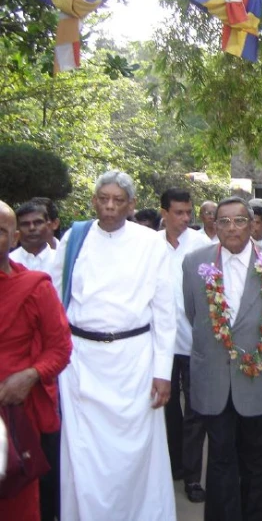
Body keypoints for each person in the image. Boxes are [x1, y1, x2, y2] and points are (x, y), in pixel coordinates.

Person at [51, 170, 177, 520]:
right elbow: (52, 299)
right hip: (81, 365)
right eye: (103, 199)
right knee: (83, 453)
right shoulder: (73, 239)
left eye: (117, 200)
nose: (109, 206)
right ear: (93, 200)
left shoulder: (151, 242)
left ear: (132, 204)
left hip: (134, 363)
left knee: (135, 455)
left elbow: (165, 313)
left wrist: (162, 372)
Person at [182, 197, 262, 521]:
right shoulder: (194, 263)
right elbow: (193, 313)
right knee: (220, 460)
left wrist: (260, 346)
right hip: (214, 381)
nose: (231, 228)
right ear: (213, 225)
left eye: (238, 221)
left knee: (257, 462)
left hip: (259, 376)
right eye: (224, 221)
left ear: (252, 224)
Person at [0, 201, 72, 521]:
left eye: (0, 232)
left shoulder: (34, 286)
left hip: (16, 408)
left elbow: (60, 348)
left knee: (17, 495)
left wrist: (30, 375)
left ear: (13, 237)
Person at [159, 189, 211, 503]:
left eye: (187, 212)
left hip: (195, 341)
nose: (184, 219)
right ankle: (173, 465)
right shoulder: (148, 246)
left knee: (195, 411)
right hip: (160, 344)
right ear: (163, 212)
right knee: (166, 409)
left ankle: (192, 477)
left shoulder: (203, 246)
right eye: (177, 212)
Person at [10, 201, 56, 276]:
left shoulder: (61, 260)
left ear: (48, 226)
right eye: (25, 224)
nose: (32, 228)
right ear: (17, 229)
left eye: (38, 222)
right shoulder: (9, 262)